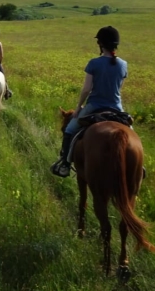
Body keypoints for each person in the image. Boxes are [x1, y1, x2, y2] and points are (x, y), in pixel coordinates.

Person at [50, 26, 127, 178]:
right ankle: (139, 166)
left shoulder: (94, 63)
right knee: (130, 131)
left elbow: (86, 89)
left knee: (70, 130)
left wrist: (78, 107)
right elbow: (119, 88)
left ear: (100, 44)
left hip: (94, 106)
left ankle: (65, 164)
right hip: (117, 108)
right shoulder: (123, 64)